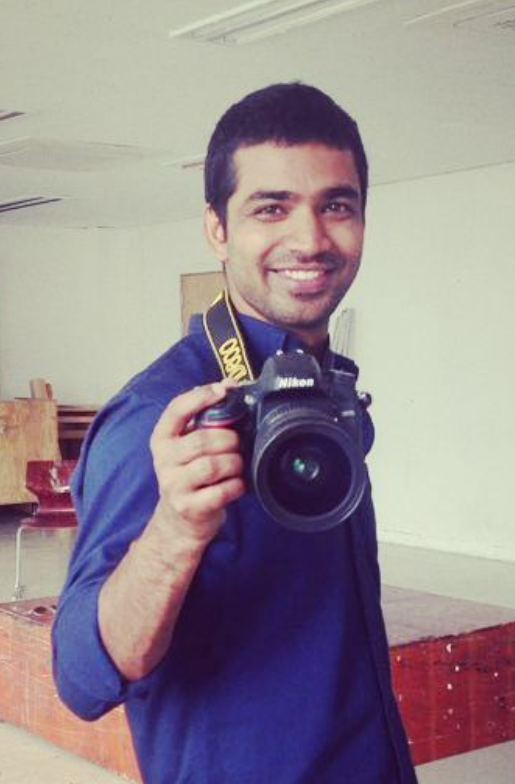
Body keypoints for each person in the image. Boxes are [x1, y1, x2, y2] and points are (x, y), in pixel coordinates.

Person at [52, 82, 418, 784]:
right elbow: (81, 678)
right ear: (217, 229)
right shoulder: (162, 416)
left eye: (336, 205)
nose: (310, 239)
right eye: (270, 207)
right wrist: (174, 531)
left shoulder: (329, 398)